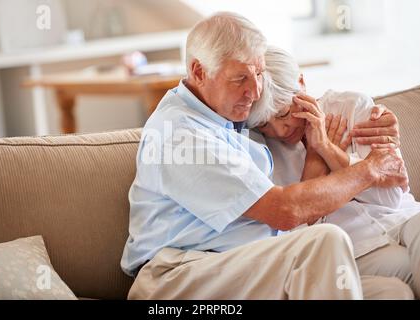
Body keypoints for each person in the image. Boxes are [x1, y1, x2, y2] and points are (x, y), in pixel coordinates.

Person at [121, 12, 412, 299]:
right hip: (181, 273)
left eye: (258, 73)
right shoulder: (180, 133)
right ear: (199, 72)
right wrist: (368, 170)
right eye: (240, 78)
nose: (255, 90)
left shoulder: (227, 117)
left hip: (249, 264)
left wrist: (382, 125)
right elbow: (286, 211)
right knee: (323, 241)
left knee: (390, 293)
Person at [247, 45, 420, 298]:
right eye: (264, 125)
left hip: (403, 219)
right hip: (356, 248)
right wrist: (316, 159)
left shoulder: (351, 106)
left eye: (284, 113)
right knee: (400, 278)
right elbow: (297, 235)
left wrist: (328, 149)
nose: (280, 130)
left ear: (301, 83)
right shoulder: (260, 151)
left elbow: (390, 199)